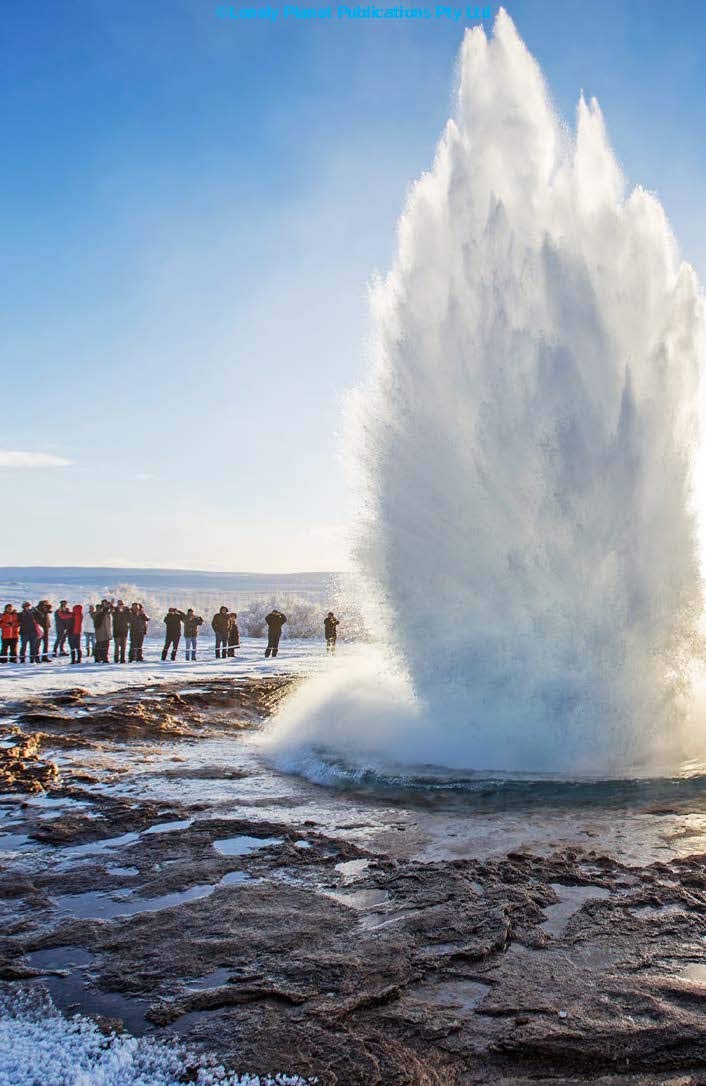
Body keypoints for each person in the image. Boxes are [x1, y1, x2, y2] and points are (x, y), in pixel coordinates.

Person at [112, 600, 130, 664]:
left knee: (123, 647)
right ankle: (116, 659)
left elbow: (130, 618)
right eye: (119, 605)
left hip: (124, 632)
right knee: (116, 647)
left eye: (122, 605)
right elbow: (111, 610)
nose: (121, 606)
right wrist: (112, 604)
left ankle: (122, 659)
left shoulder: (127, 612)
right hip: (116, 632)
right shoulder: (115, 612)